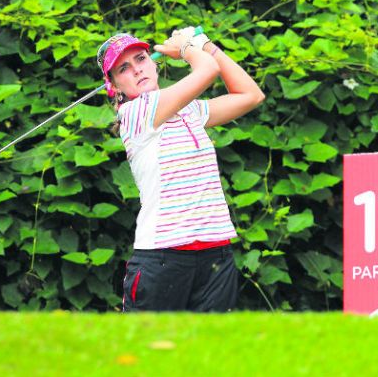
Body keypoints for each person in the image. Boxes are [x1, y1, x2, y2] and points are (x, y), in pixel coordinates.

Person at [96, 27, 265, 312]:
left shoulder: (190, 111)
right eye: (124, 68)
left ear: (153, 62)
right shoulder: (135, 113)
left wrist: (206, 45)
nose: (137, 70)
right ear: (113, 85)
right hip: (163, 258)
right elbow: (207, 70)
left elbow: (250, 95)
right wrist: (188, 48)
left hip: (215, 253)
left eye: (140, 59)